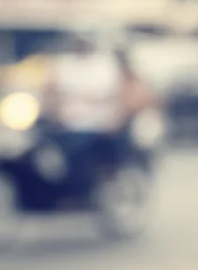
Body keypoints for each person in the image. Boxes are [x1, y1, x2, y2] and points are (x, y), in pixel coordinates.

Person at [39, 33, 157, 194]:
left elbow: (127, 96)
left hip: (103, 127)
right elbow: (50, 93)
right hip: (69, 126)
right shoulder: (62, 64)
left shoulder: (107, 65)